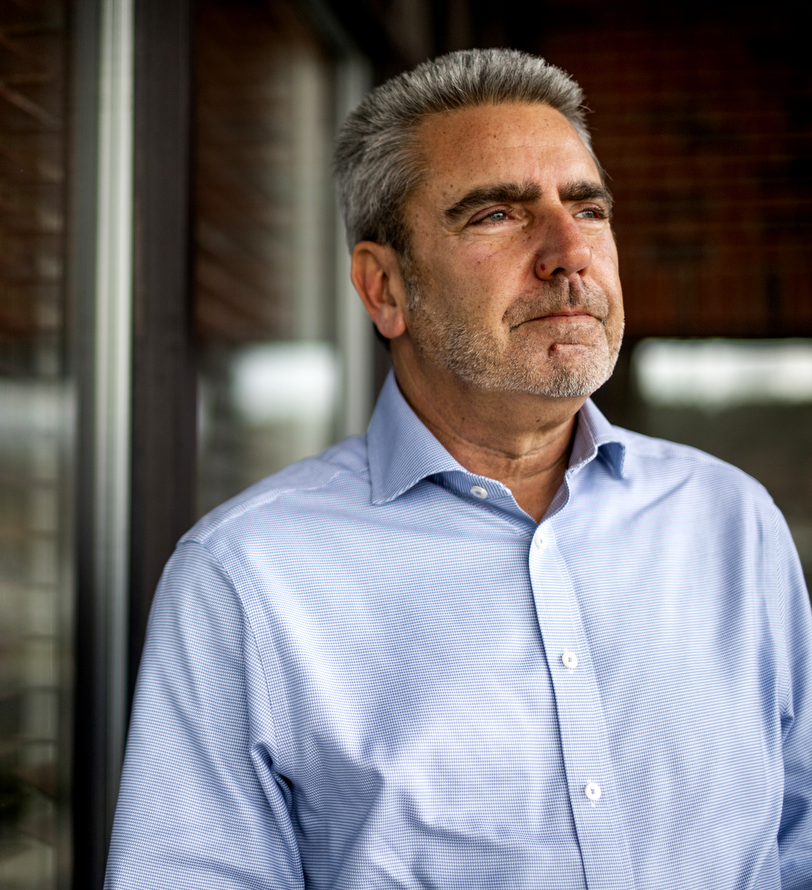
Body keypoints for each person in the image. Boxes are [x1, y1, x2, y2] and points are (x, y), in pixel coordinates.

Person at [106, 49, 812, 888]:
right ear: (384, 289)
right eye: (497, 216)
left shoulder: (731, 522)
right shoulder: (245, 579)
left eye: (587, 209)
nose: (567, 253)